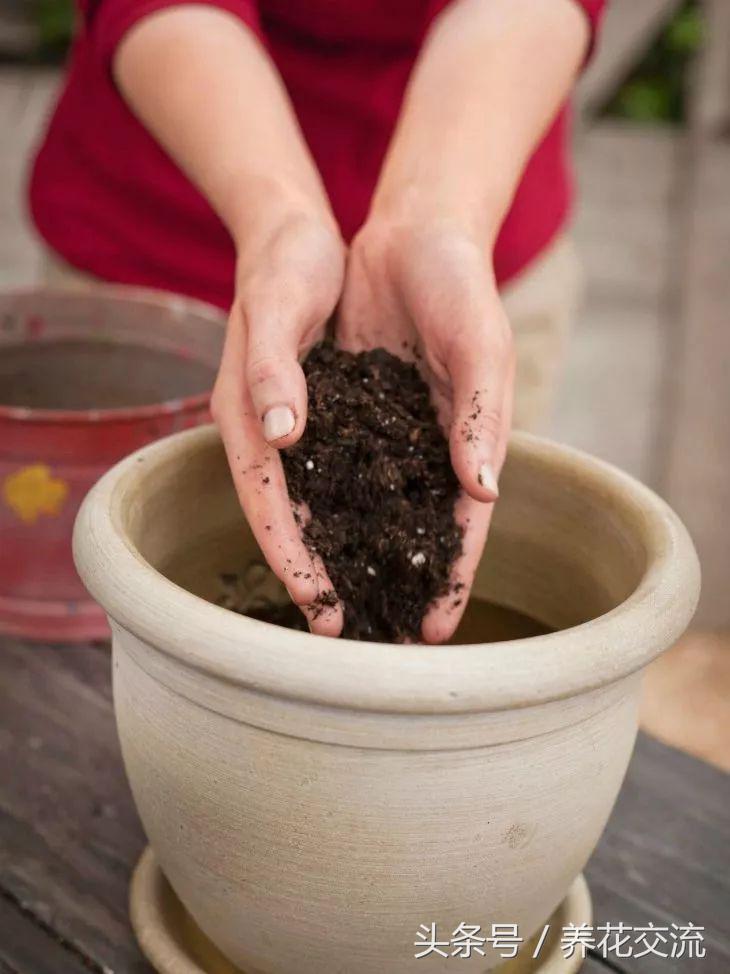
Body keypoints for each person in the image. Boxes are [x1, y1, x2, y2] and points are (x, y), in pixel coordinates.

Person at [30, 0, 604, 640]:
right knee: (92, 620)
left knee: (443, 629)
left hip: (467, 232)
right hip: (154, 252)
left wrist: (437, 219)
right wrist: (279, 220)